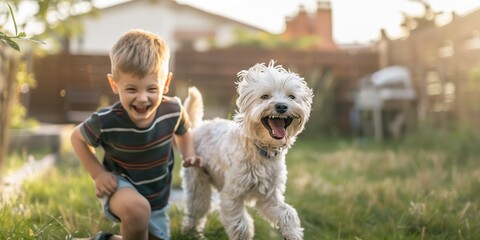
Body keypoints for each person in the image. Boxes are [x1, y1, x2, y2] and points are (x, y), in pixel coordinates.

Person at [70, 29, 203, 240]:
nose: (142, 98)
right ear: (114, 84)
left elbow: (183, 131)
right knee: (138, 210)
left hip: (157, 198)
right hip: (120, 186)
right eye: (132, 89)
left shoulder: (173, 110)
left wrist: (189, 154)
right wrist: (99, 174)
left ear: (166, 83)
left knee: (143, 228)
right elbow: (76, 137)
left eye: (151, 89)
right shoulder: (106, 120)